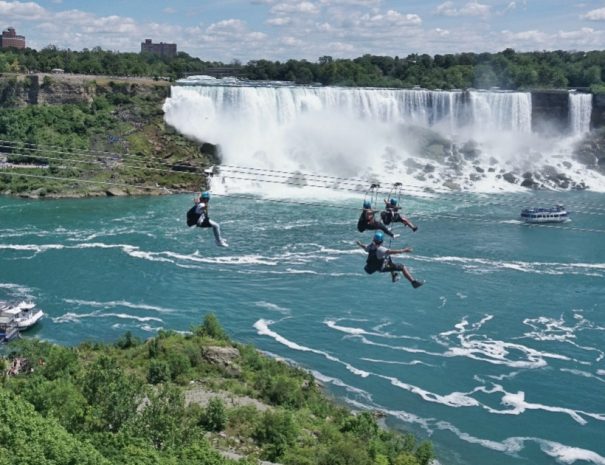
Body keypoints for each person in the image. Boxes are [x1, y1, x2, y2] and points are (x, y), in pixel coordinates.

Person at [356, 231, 424, 288]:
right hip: (380, 268)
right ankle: (413, 282)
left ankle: (394, 276)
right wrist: (404, 250)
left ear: (374, 240)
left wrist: (360, 244)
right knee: (402, 267)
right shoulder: (381, 249)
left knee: (388, 258)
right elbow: (392, 252)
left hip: (370, 267)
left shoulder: (371, 246)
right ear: (382, 241)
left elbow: (365, 248)